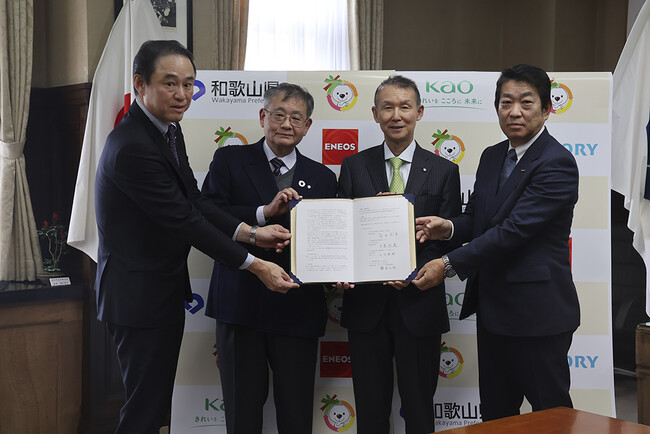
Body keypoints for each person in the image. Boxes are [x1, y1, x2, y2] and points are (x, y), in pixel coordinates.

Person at [94, 40, 298, 434]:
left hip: (159, 293)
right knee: (143, 411)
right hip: (136, 299)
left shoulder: (167, 131)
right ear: (140, 84)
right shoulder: (133, 145)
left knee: (153, 407)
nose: (182, 94)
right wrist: (256, 266)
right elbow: (186, 221)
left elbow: (195, 199)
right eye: (170, 83)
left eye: (188, 84)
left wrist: (252, 233)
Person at [414, 64, 580, 421]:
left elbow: (514, 231)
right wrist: (447, 228)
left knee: (550, 416)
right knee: (497, 416)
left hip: (538, 315)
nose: (515, 111)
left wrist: (447, 264)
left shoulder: (557, 163)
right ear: (496, 108)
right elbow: (478, 217)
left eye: (526, 102)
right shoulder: (492, 155)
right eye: (506, 102)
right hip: (493, 310)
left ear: (546, 109)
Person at [201, 83, 337, 433]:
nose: (286, 124)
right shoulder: (229, 160)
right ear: (263, 116)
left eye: (296, 118)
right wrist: (261, 215)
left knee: (296, 413)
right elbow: (207, 214)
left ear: (307, 126)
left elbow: (331, 237)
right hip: (240, 304)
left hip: (298, 307)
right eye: (279, 114)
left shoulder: (324, 177)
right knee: (242, 414)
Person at [336, 75, 461, 433]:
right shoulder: (354, 166)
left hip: (420, 305)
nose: (396, 115)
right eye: (387, 107)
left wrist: (414, 269)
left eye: (405, 107)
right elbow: (343, 231)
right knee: (370, 412)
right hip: (366, 306)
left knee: (419, 411)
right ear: (375, 113)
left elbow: (448, 242)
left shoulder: (444, 170)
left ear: (419, 112)